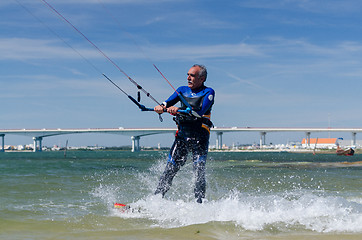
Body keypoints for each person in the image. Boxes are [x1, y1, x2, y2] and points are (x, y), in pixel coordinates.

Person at [154, 64, 215, 203]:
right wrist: (161, 107)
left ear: (202, 78)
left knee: (198, 171)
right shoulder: (182, 90)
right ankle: (156, 201)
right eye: (187, 75)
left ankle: (200, 203)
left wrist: (176, 110)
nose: (188, 78)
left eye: (192, 75)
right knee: (170, 170)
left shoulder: (208, 92)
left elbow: (199, 111)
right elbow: (167, 102)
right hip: (182, 137)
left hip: (200, 137)